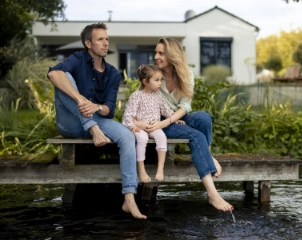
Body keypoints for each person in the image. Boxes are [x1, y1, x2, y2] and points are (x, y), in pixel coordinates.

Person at [47, 22, 146, 219]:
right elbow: (52, 73)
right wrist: (82, 101)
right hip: (71, 123)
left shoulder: (112, 73)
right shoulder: (77, 59)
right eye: (100, 39)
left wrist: (96, 107)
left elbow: (109, 109)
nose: (105, 43)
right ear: (88, 43)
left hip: (98, 119)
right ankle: (90, 126)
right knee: (63, 76)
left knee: (127, 136)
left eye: (107, 39)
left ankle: (129, 198)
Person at [134, 37, 234, 212]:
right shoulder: (153, 74)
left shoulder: (186, 74)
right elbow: (141, 98)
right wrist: (157, 122)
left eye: (161, 53)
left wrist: (170, 119)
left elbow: (186, 106)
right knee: (196, 136)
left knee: (203, 117)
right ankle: (213, 194)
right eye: (156, 52)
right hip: (159, 121)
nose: (156, 56)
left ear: (172, 55)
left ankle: (208, 157)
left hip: (174, 118)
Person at [122, 64, 185, 183]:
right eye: (156, 80)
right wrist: (133, 126)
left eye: (160, 79)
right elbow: (128, 115)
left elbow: (165, 109)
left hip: (154, 126)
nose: (160, 83)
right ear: (145, 81)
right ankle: (141, 168)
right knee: (142, 139)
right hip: (140, 127)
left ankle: (160, 167)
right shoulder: (136, 96)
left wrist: (173, 118)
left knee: (161, 137)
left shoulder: (158, 95)